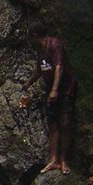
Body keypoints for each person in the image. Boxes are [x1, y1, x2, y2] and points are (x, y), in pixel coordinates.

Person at [20, 23, 77, 175]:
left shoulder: (54, 44)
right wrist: (29, 82)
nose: (28, 41)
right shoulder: (40, 50)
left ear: (34, 36)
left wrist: (55, 90)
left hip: (65, 89)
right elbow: (40, 69)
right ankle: (54, 160)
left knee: (65, 122)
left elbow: (59, 67)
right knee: (52, 124)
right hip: (51, 90)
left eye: (29, 37)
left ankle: (64, 160)